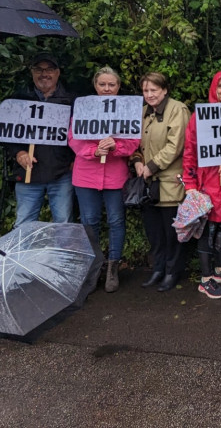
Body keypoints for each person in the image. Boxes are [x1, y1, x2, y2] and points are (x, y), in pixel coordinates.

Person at [68, 67, 140, 293]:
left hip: (115, 176)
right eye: (103, 84)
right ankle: (93, 267)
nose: (107, 89)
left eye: (112, 85)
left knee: (117, 221)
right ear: (95, 86)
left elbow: (134, 140)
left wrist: (115, 147)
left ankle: (113, 267)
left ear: (118, 87)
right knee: (89, 221)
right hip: (86, 175)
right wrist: (94, 150)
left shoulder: (128, 110)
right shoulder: (83, 107)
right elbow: (73, 137)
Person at [181, 70, 221, 299]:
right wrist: (189, 185)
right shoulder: (199, 118)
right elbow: (189, 152)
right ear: (214, 90)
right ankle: (206, 278)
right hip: (207, 184)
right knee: (207, 231)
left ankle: (220, 270)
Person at [131, 72, 191, 292]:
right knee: (154, 232)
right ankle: (158, 268)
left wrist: (151, 166)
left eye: (153, 90)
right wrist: (137, 162)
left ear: (164, 90)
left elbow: (176, 146)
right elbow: (134, 143)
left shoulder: (178, 109)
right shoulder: (143, 112)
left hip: (169, 182)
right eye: (146, 90)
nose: (149, 95)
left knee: (172, 233)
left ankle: (172, 271)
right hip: (147, 184)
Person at [6, 53, 77, 227]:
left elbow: (80, 135)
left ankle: (61, 255)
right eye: (39, 69)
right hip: (28, 172)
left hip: (61, 173)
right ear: (32, 72)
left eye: (49, 69)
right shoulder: (18, 99)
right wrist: (18, 152)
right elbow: (6, 134)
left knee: (64, 224)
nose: (44, 74)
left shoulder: (72, 101)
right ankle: (24, 255)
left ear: (58, 73)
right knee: (23, 224)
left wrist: (76, 159)